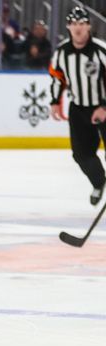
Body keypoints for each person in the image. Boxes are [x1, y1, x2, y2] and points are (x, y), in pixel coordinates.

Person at [49, 6, 106, 205]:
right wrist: (55, 101)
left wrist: (104, 107)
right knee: (81, 154)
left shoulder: (101, 50)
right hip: (79, 109)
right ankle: (99, 182)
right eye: (74, 24)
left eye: (82, 24)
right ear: (68, 26)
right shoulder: (62, 52)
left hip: (103, 106)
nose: (78, 28)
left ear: (89, 26)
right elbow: (57, 77)